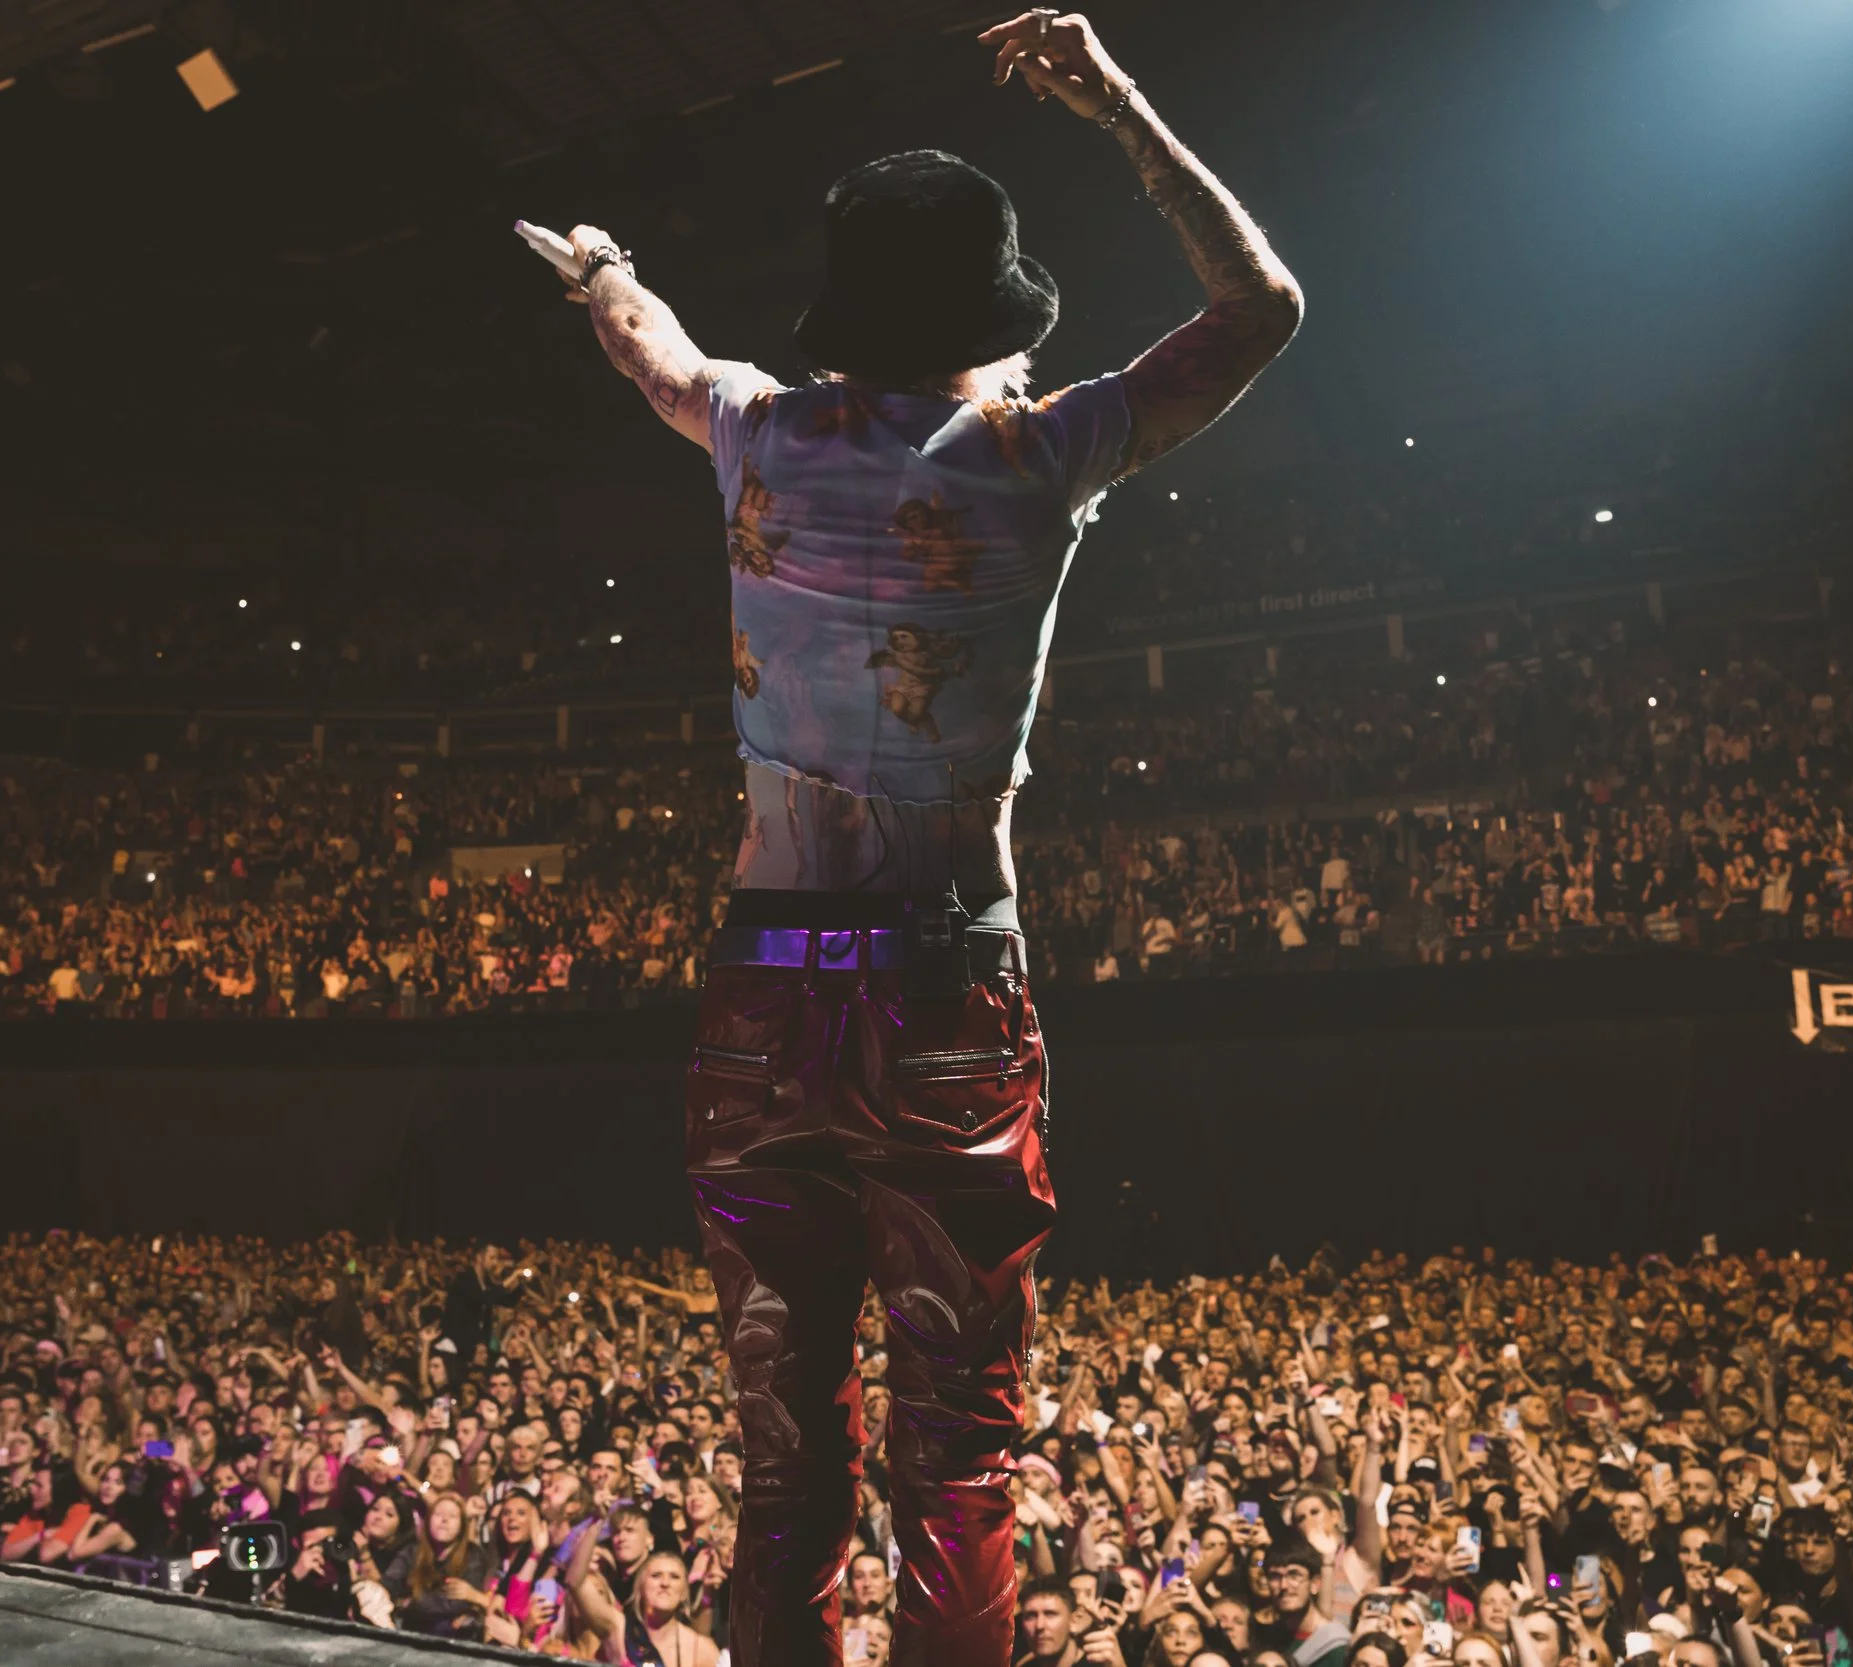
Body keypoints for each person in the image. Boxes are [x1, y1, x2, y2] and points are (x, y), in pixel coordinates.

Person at [535, 8, 1301, 1661]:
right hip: (949, 995)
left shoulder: (752, 428)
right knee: (958, 1464)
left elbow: (651, 348)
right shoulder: (1043, 450)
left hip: (766, 993)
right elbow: (1265, 309)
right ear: (993, 321)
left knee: (782, 1455)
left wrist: (601, 265)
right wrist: (1116, 104)